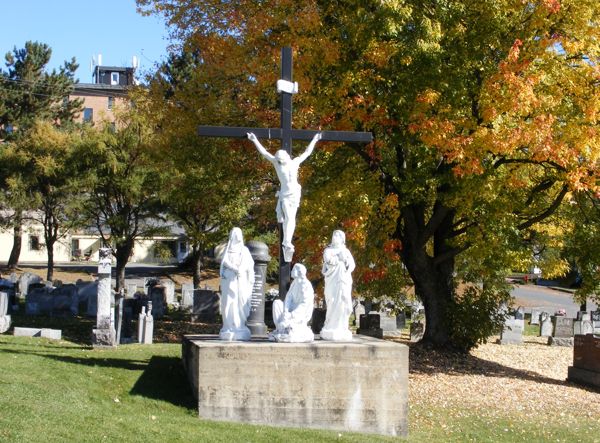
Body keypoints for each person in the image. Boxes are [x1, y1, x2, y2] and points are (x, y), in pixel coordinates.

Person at [247, 131, 322, 262]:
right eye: (278, 159)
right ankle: (286, 243)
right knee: (288, 217)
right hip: (285, 195)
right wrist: (254, 140)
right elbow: (264, 153)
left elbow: (307, 153)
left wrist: (314, 140)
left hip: (295, 193)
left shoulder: (295, 162)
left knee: (291, 218)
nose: (280, 160)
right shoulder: (277, 163)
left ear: (287, 157)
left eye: (281, 158)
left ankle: (287, 242)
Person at [219, 227, 255, 341]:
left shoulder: (244, 250)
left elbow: (250, 264)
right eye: (235, 235)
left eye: (239, 235)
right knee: (230, 302)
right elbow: (224, 262)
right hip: (229, 281)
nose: (237, 238)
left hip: (242, 280)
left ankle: (240, 325)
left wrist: (241, 270)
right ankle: (229, 326)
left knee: (241, 302)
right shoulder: (227, 250)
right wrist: (234, 268)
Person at [320, 230, 355, 341]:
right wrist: (339, 257)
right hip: (332, 280)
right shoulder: (328, 250)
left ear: (342, 239)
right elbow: (328, 260)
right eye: (334, 234)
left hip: (343, 280)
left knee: (344, 302)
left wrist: (346, 262)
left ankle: (342, 327)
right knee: (333, 301)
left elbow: (352, 264)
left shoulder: (346, 251)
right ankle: (331, 326)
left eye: (338, 235)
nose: (335, 237)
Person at [270, 263, 314, 343]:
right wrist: (286, 310)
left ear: (299, 271)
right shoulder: (294, 282)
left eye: (293, 269)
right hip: (290, 310)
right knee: (277, 303)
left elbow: (304, 304)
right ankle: (279, 329)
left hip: (299, 312)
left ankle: (287, 329)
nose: (292, 271)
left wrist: (291, 314)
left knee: (289, 322)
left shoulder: (306, 285)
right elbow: (288, 298)